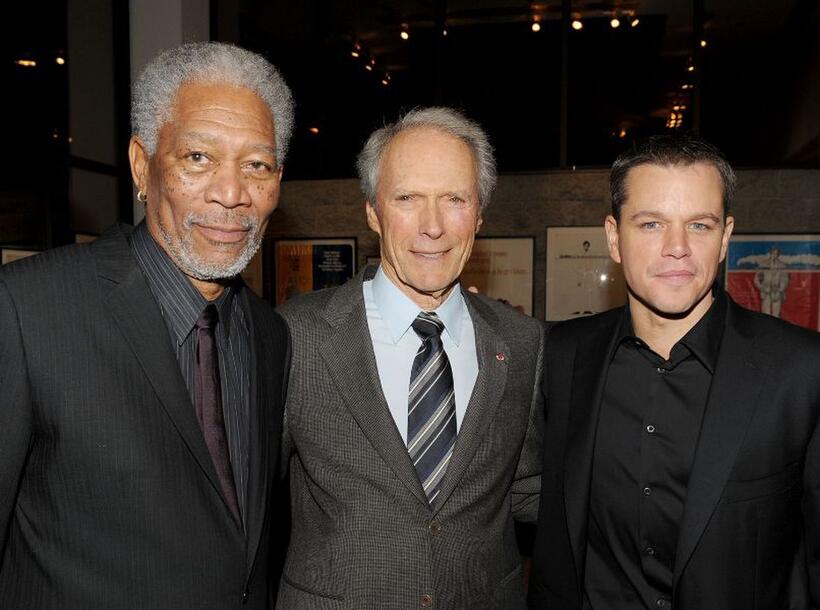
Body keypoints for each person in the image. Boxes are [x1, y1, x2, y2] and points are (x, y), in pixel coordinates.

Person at [0, 42, 293, 608]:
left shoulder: (270, 335)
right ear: (142, 165)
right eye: (199, 158)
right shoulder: (26, 311)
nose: (232, 194)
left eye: (256, 165)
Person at [528, 134, 820, 609]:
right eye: (650, 224)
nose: (677, 247)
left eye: (699, 226)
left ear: (724, 238)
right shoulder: (563, 355)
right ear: (613, 237)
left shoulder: (802, 371)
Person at [276, 107, 544, 609]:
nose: (433, 226)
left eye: (454, 200)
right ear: (373, 212)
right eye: (408, 199)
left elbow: (526, 487)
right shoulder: (297, 336)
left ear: (480, 214)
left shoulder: (524, 342)